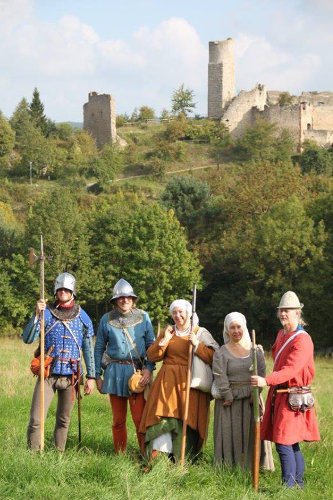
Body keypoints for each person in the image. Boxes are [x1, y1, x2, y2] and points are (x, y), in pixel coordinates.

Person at [251, 291, 320, 488]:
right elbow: (278, 359)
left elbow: (291, 369)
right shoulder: (281, 334)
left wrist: (267, 380)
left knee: (284, 441)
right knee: (290, 441)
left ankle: (289, 486)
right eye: (281, 310)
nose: (283, 313)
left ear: (298, 313)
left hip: (293, 395)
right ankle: (298, 484)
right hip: (280, 394)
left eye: (287, 310)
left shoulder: (302, 339)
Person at [22, 272, 95, 451]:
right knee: (36, 419)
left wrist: (91, 376)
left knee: (64, 420)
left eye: (66, 289)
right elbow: (28, 338)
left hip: (71, 375)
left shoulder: (83, 317)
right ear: (56, 291)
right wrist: (37, 315)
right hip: (48, 373)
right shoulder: (45, 313)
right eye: (60, 289)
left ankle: (59, 454)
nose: (63, 291)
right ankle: (33, 455)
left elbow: (88, 350)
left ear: (72, 292)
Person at [139, 299, 219, 462]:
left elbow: (215, 358)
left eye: (181, 312)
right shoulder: (169, 331)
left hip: (189, 383)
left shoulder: (200, 332)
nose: (177, 315)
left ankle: (182, 455)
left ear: (189, 313)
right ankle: (157, 454)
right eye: (174, 312)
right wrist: (166, 339)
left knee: (186, 417)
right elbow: (152, 355)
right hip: (167, 382)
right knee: (162, 415)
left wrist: (197, 345)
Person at [94, 278, 155, 454]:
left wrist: (149, 368)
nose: (125, 300)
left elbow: (151, 345)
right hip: (114, 373)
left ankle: (146, 454)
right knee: (118, 420)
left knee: (140, 418)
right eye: (121, 297)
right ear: (115, 300)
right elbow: (98, 348)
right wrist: (97, 376)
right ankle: (120, 454)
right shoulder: (106, 319)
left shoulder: (144, 317)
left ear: (133, 299)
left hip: (137, 373)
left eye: (128, 297)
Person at [213, 312, 274, 470]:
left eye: (238, 327)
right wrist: (227, 394)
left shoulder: (256, 350)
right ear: (227, 330)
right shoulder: (222, 352)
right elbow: (220, 374)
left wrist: (256, 392)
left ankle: (255, 465)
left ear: (244, 327)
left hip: (251, 398)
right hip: (230, 400)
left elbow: (261, 373)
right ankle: (229, 466)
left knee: (251, 434)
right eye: (232, 327)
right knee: (229, 434)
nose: (236, 331)